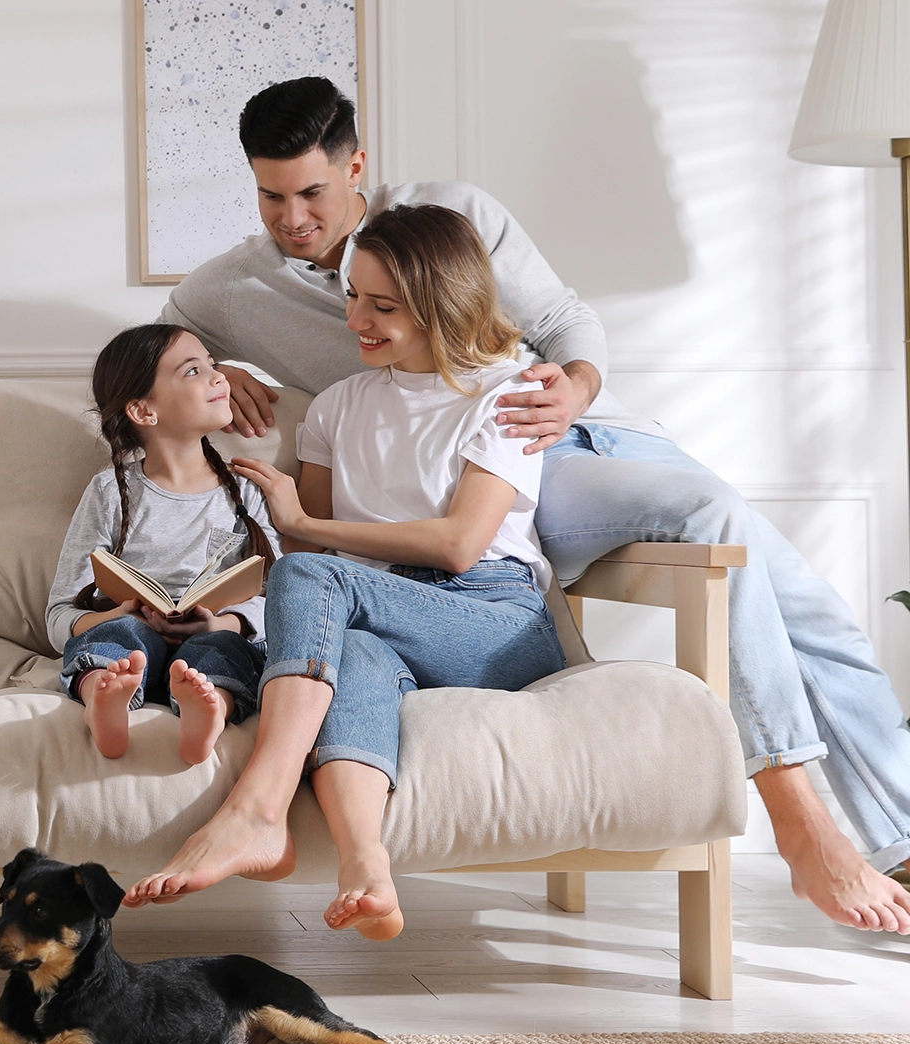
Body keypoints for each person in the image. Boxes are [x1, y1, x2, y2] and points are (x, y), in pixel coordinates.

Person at [159, 75, 910, 934]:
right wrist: (227, 373)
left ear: (355, 165)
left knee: (786, 587)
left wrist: (576, 391)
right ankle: (819, 830)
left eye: (312, 193)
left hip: (567, 439)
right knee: (723, 531)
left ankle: (840, 829)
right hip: (476, 481)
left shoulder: (447, 216)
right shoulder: (239, 289)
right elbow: (153, 346)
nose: (293, 217)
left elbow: (563, 320)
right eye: (271, 195)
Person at [128, 204, 568, 938]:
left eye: (383, 305)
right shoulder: (335, 408)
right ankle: (367, 865)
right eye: (353, 297)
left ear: (440, 303)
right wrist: (230, 608)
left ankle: (258, 808)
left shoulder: (511, 396)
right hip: (382, 616)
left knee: (319, 581)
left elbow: (462, 544)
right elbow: (311, 575)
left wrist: (300, 525)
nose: (356, 318)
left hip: (493, 620)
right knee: (351, 653)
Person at [45, 324, 280, 766]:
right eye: (194, 370)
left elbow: (282, 603)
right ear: (143, 411)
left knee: (224, 653)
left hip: (212, 637)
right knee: (118, 636)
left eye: (213, 364)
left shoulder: (244, 490)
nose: (219, 377)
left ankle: (210, 711)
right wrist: (118, 613)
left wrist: (223, 625)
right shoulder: (109, 492)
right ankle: (103, 697)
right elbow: (59, 615)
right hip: (133, 641)